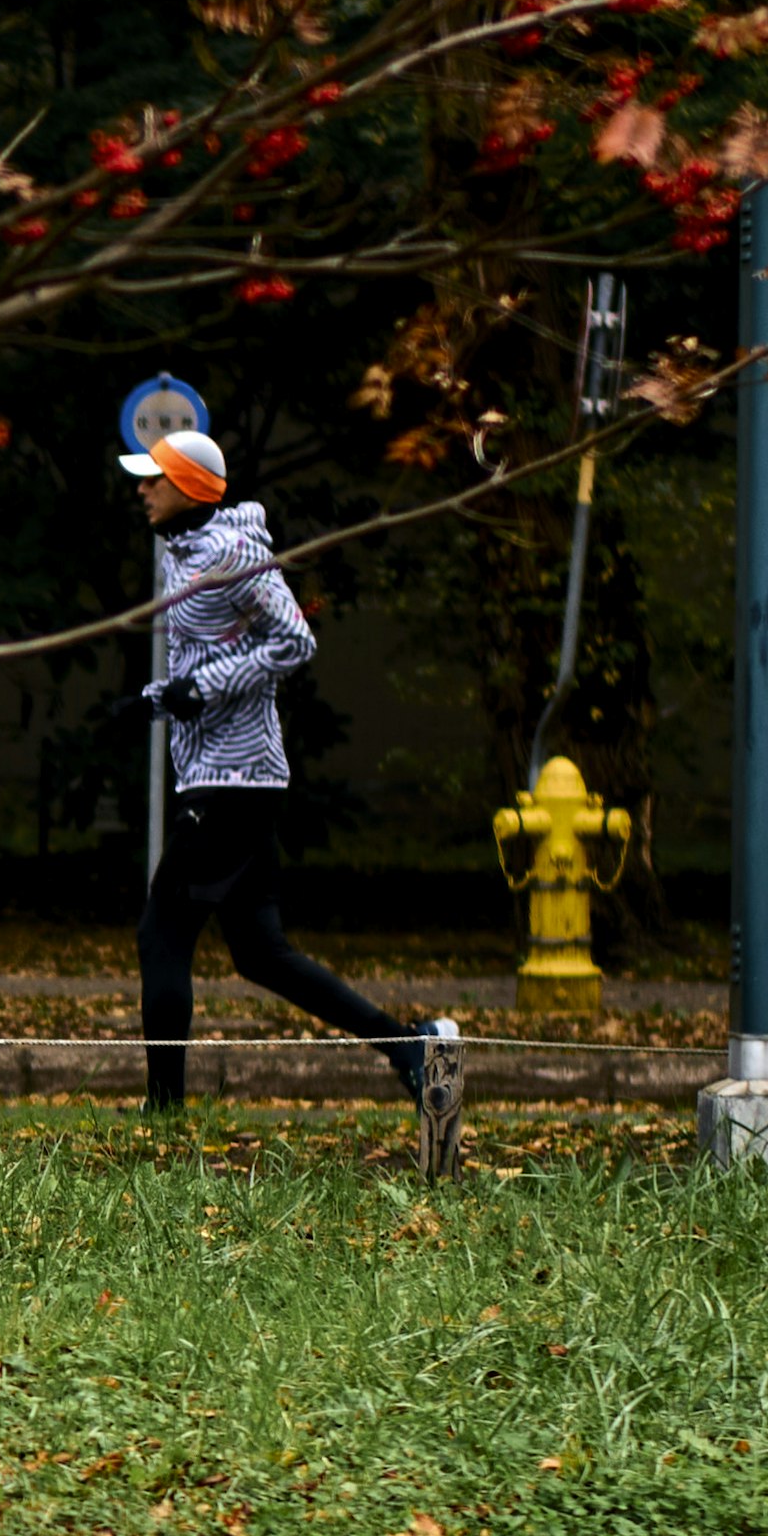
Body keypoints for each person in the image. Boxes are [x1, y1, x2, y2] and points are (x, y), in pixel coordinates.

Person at [123, 420, 456, 1152]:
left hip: (233, 779)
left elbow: (294, 642)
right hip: (225, 773)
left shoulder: (234, 550)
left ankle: (164, 1114)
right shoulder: (183, 551)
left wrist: (201, 689)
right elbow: (207, 654)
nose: (141, 490)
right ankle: (410, 1047)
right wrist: (154, 698)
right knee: (261, 953)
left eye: (153, 478)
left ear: (185, 486)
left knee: (162, 934)